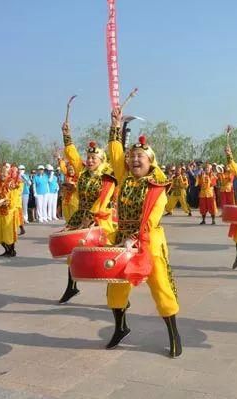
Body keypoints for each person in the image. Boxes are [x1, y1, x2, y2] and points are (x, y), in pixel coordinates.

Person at [105, 108, 181, 357]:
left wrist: (134, 239)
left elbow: (150, 218)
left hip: (148, 242)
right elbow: (115, 154)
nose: (135, 160)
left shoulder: (156, 186)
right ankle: (120, 327)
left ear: (151, 162)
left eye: (141, 157)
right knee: (116, 289)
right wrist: (115, 127)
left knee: (161, 289)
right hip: (122, 241)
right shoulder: (124, 178)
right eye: (132, 157)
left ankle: (174, 334)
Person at [59, 122, 118, 304]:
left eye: (94, 158)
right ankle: (71, 287)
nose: (90, 160)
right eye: (89, 157)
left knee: (107, 256)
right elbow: (73, 156)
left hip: (100, 219)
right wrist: (67, 135)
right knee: (72, 253)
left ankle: (116, 295)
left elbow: (103, 200)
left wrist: (91, 219)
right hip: (80, 216)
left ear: (102, 160)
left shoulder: (107, 176)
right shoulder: (83, 173)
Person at [57, 157, 79, 223]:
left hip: (75, 198)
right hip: (66, 198)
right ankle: (68, 223)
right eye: (69, 170)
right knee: (66, 212)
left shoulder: (78, 177)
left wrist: (74, 185)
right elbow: (63, 168)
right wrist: (60, 160)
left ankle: (74, 224)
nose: (71, 171)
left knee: (74, 212)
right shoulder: (67, 176)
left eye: (72, 170)